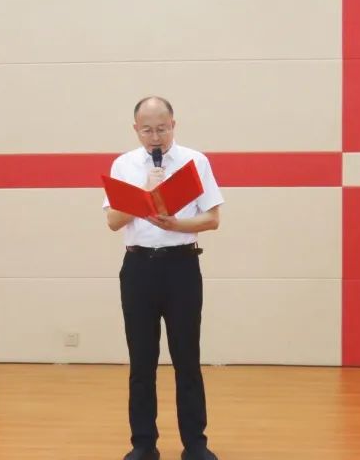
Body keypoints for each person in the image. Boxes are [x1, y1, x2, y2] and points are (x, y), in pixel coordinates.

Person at [103, 96, 224, 460]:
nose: (155, 137)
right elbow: (113, 222)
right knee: (142, 361)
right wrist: (144, 193)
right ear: (135, 129)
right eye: (147, 130)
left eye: (162, 129)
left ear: (174, 125)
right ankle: (143, 444)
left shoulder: (194, 161)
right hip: (138, 268)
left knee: (187, 358)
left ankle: (195, 444)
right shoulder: (124, 164)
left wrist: (176, 224)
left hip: (181, 267)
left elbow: (212, 219)